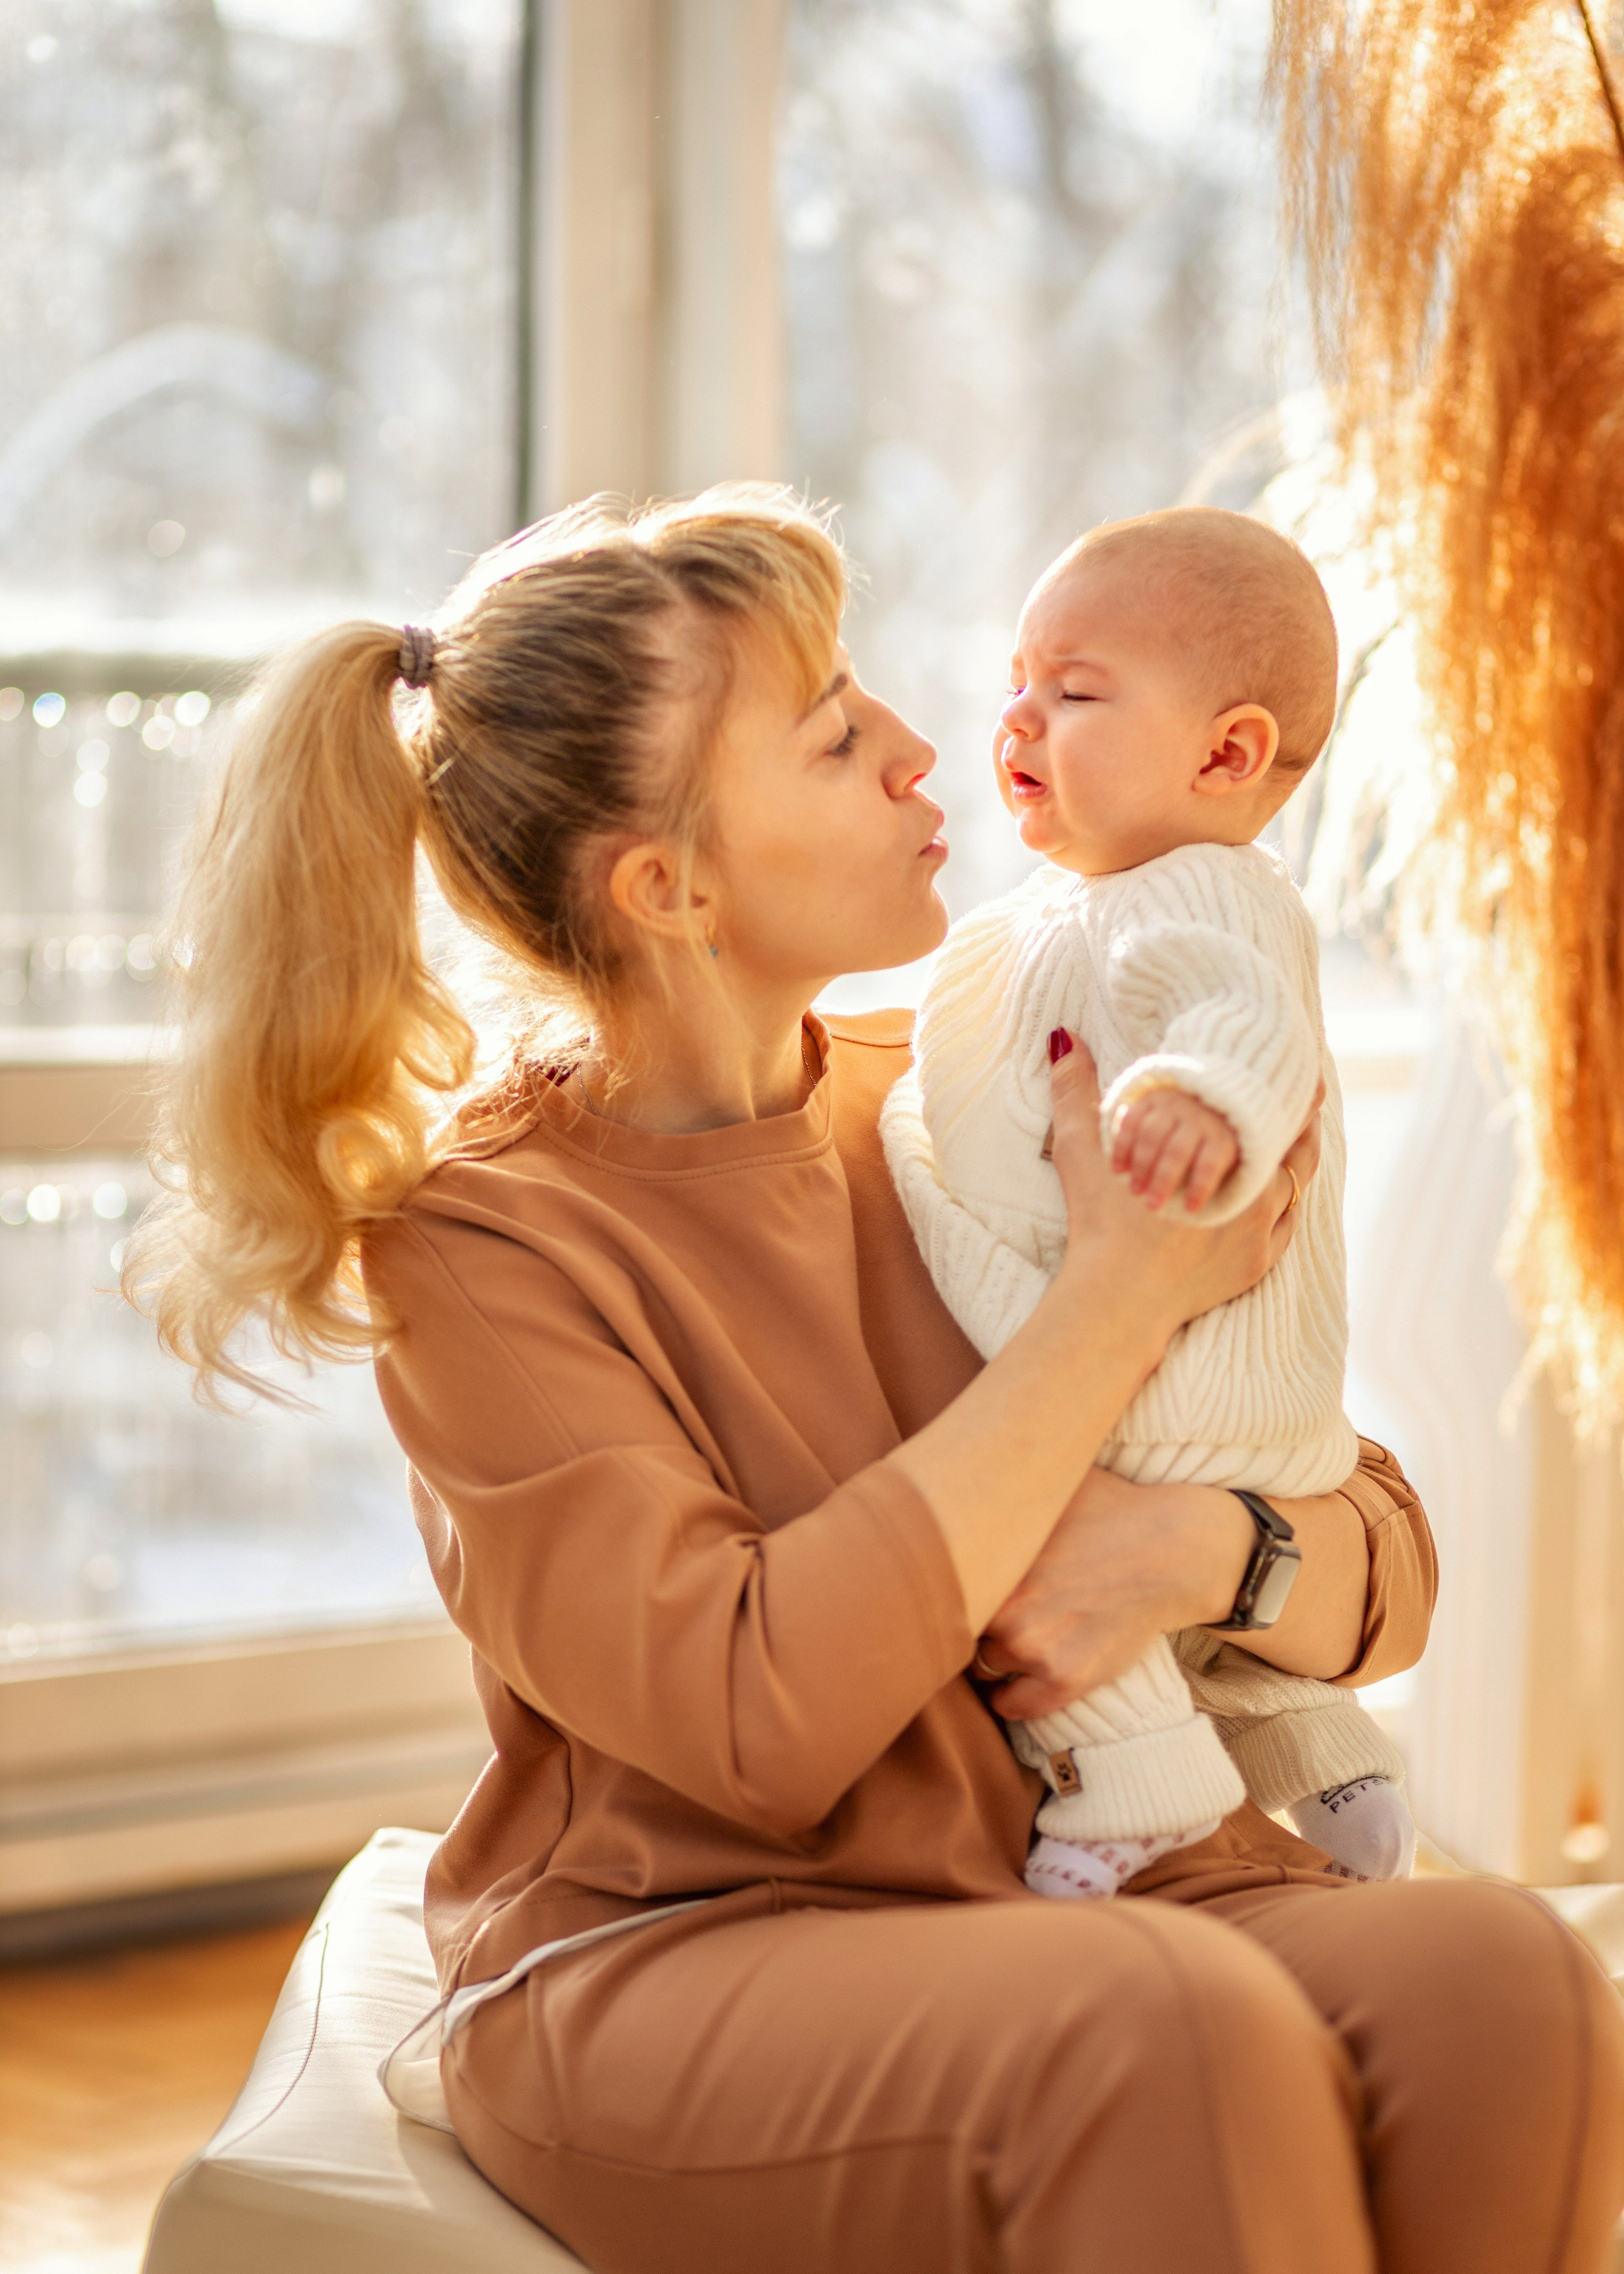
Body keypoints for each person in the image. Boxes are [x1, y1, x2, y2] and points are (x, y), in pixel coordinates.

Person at [129, 485, 1624, 2274]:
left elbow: (1379, 1550)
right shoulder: (487, 1246)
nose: (927, 751)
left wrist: (1204, 1556)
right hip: (686, 1950)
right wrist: (1112, 1305)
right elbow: (759, 1720)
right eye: (837, 736)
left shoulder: (979, 1090)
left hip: (1097, 1877)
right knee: (1166, 2034)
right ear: (669, 887)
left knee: (1504, 1978)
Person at [883, 508, 1411, 1903]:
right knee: (1192, 1625)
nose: (1012, 720)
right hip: (1189, 1381)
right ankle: (1325, 1750)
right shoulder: (1058, 908)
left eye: (1070, 691)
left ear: (1226, 753)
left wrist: (1202, 1095)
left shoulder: (1206, 889)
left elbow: (1244, 1016)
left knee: (1033, 1545)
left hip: (1170, 1373)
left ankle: (1130, 1793)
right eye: (1013, 682)